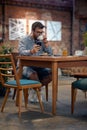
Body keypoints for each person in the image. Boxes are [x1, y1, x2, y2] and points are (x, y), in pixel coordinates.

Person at [18, 21, 53, 102]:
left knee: (52, 73)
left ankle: (35, 89)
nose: (39, 34)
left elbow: (51, 53)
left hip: (38, 66)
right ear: (32, 31)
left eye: (41, 32)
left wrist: (46, 44)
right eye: (38, 32)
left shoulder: (41, 40)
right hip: (24, 66)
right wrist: (31, 51)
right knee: (33, 74)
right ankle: (38, 92)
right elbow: (21, 52)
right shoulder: (24, 40)